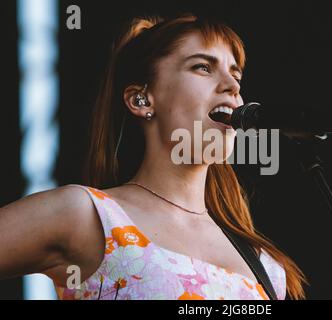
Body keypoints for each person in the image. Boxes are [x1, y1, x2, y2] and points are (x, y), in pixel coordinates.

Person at [0, 14, 306, 300]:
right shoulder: (88, 216)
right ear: (141, 99)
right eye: (203, 67)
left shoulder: (264, 265)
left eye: (235, 73)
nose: (233, 86)